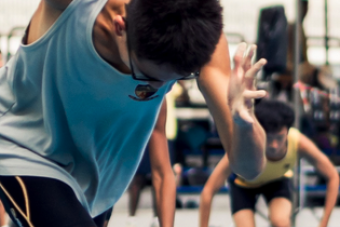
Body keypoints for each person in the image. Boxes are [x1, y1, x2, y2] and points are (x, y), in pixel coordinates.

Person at [0, 0, 267, 227]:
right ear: (120, 27)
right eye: (147, 77)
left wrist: (244, 122)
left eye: (176, 79)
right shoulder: (74, 7)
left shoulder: (198, 32)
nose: (156, 90)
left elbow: (249, 168)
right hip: (25, 148)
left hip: (100, 180)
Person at [199, 99, 339, 227]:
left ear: (288, 131)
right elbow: (208, 191)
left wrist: (324, 223)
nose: (274, 145)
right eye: (268, 138)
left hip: (276, 182)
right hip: (243, 186)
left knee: (281, 222)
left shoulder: (299, 143)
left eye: (279, 138)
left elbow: (333, 176)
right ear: (259, 132)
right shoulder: (245, 146)